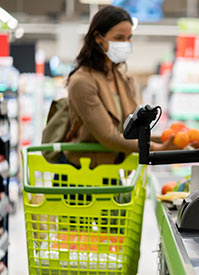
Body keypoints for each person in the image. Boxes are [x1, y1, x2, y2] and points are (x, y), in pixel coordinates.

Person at [65, 6, 178, 168]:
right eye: (119, 38)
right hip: (83, 175)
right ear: (98, 38)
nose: (126, 44)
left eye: (129, 38)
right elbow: (108, 136)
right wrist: (155, 147)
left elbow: (134, 132)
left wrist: (172, 139)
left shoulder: (124, 80)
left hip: (115, 172)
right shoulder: (82, 81)